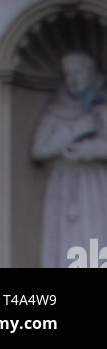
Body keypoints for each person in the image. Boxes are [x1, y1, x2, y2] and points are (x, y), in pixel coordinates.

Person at [31, 51, 107, 267]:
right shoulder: (58, 108)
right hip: (65, 184)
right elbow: (39, 149)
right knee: (69, 237)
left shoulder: (103, 104)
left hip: (97, 182)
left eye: (78, 72)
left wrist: (93, 149)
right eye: (67, 74)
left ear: (92, 73)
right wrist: (73, 129)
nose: (72, 79)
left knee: (96, 231)